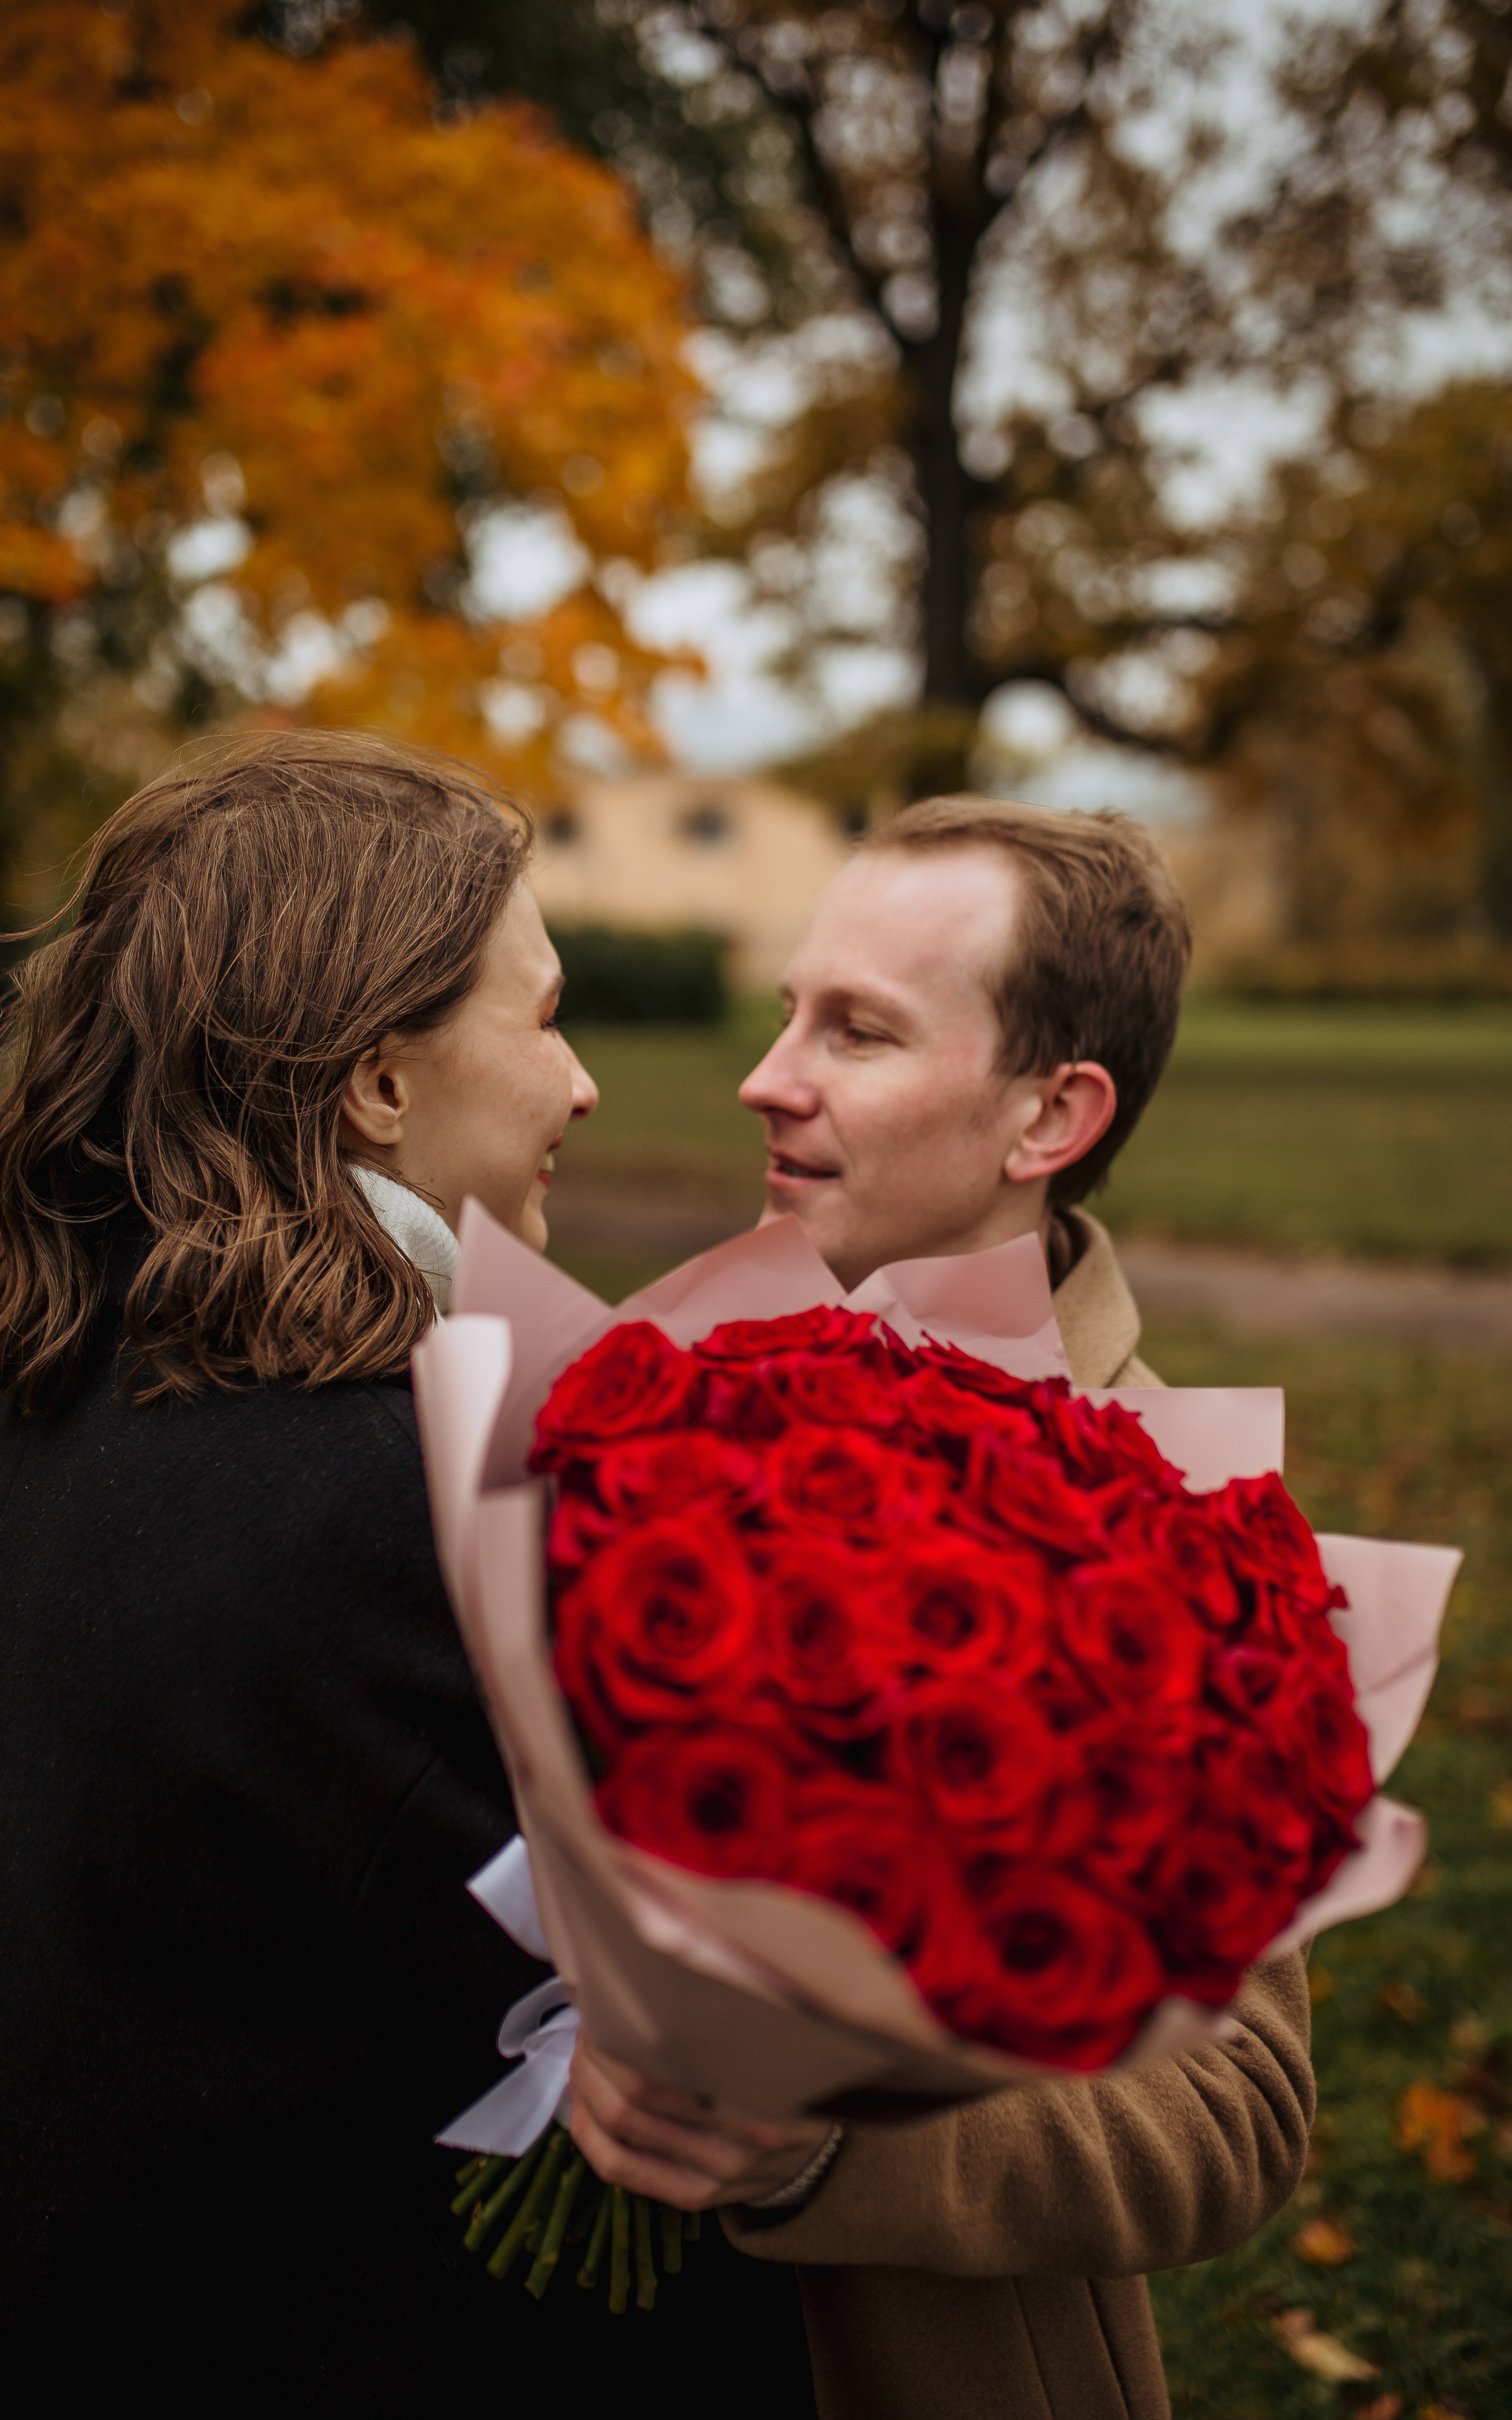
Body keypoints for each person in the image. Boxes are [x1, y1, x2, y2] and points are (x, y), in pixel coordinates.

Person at [0, 732, 823, 2418]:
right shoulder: (375, 1498)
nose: (581, 1086)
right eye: (544, 1017)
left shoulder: (91, 1389)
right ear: (378, 1086)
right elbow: (652, 2053)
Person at [566, 796, 1315, 2420]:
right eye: (789, 1011)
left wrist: (832, 2141)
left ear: (1049, 1115)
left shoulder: (1183, 1525)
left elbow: (1234, 2113)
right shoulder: (640, 1379)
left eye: (859, 1031)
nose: (768, 1077)